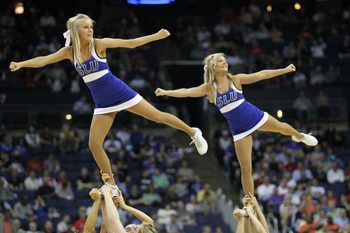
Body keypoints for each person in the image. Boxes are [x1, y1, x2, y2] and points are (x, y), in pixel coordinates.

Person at [9, 13, 208, 187]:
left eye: (91, 26)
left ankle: (193, 133)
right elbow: (43, 60)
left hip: (120, 92)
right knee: (94, 144)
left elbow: (130, 43)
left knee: (157, 117)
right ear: (76, 31)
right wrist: (21, 64)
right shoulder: (69, 52)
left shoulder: (99, 44)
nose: (90, 30)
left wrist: (157, 36)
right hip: (102, 103)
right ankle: (110, 182)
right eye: (86, 27)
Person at [155, 53, 318, 195]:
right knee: (246, 168)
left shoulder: (236, 79)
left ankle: (300, 136)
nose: (225, 62)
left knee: (283, 128)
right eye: (220, 61)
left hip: (255, 116)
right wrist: (167, 92)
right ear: (213, 67)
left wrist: (284, 70)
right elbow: (187, 92)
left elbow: (261, 75)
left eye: (225, 60)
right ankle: (249, 201)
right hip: (239, 130)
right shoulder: (209, 88)